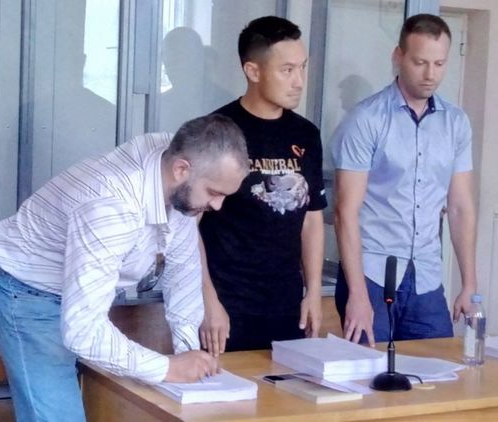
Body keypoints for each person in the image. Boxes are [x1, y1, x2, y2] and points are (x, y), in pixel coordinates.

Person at [0, 114, 248, 421]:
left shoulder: (175, 161)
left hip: (85, 298)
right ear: (181, 169)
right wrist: (168, 368)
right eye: (214, 193)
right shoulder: (112, 204)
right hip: (29, 296)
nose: (217, 206)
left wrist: (190, 355)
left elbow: (183, 266)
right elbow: (83, 331)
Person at [331, 14, 477, 346]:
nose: (430, 74)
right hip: (371, 273)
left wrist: (469, 284)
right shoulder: (366, 120)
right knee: (370, 371)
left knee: (439, 370)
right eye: (420, 62)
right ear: (398, 57)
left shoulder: (456, 123)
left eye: (439, 63)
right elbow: (345, 212)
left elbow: (460, 207)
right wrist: (356, 293)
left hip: (426, 275)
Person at [198, 16, 327, 355]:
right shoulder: (217, 132)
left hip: (286, 303)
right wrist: (207, 300)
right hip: (228, 304)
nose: (299, 81)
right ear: (253, 71)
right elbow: (188, 227)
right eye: (287, 70)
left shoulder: (306, 134)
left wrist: (313, 291)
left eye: (302, 67)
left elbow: (312, 218)